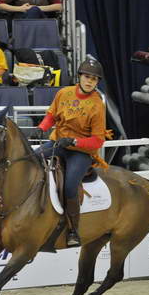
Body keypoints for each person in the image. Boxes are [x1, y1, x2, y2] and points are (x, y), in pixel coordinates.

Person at [34, 59, 108, 247]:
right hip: (58, 142)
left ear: (97, 82)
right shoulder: (64, 93)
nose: (90, 81)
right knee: (33, 158)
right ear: (79, 77)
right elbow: (52, 115)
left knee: (69, 186)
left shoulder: (97, 105)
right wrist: (42, 128)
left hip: (81, 152)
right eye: (87, 76)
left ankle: (73, 230)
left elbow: (98, 140)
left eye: (94, 79)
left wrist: (75, 141)